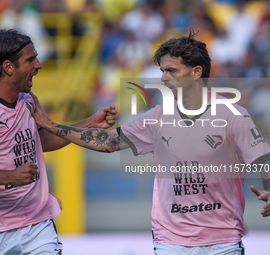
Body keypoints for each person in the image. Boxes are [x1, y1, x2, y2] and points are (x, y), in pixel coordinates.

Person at [30, 30, 270, 254]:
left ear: (196, 72)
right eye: (162, 71)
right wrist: (52, 126)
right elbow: (109, 142)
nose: (164, 78)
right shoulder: (157, 117)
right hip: (170, 241)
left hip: (223, 240)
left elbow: (262, 157)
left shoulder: (232, 115)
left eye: (172, 71)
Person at [0, 29, 116, 255]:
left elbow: (41, 141)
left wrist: (91, 122)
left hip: (38, 224)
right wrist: (10, 177)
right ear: (8, 67)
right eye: (31, 59)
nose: (39, 65)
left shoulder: (27, 100)